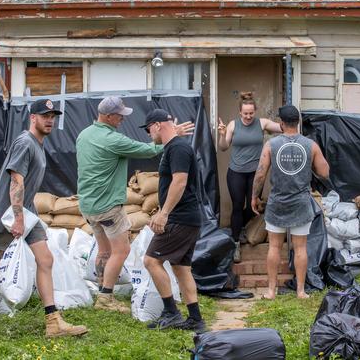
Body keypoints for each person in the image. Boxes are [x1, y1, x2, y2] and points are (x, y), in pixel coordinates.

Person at [0, 99, 87, 337]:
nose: (50, 120)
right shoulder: (25, 142)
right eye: (45, 116)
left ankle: (53, 322)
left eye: (53, 116)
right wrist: (18, 217)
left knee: (45, 259)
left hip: (26, 211)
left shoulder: (37, 143)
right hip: (10, 215)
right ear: (32, 118)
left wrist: (26, 214)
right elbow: (16, 181)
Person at [76, 96, 193, 313]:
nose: (122, 119)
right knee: (121, 250)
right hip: (108, 205)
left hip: (88, 205)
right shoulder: (113, 140)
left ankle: (102, 288)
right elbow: (148, 150)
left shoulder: (84, 135)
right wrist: (171, 135)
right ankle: (105, 297)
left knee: (103, 249)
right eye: (119, 115)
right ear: (109, 116)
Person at [251, 105, 329, 300]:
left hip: (277, 202)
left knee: (274, 247)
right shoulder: (310, 145)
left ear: (281, 124)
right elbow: (325, 172)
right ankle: (301, 291)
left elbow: (260, 174)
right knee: (301, 247)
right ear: (298, 122)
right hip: (302, 202)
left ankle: (270, 291)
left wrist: (254, 196)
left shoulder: (271, 144)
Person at [141, 109, 205, 332]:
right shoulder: (175, 146)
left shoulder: (177, 148)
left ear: (157, 125)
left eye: (149, 128)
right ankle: (195, 319)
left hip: (180, 218)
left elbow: (179, 182)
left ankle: (171, 312)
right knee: (181, 268)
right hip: (188, 218)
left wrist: (164, 213)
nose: (149, 133)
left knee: (151, 261)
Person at [217, 92, 282, 263]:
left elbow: (283, 128)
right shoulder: (233, 125)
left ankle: (242, 229)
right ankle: (236, 243)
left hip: (255, 174)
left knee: (254, 206)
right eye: (245, 113)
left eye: (251, 113)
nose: (248, 116)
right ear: (240, 113)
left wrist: (291, 121)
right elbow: (223, 147)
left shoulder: (262, 123)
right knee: (237, 206)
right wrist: (223, 134)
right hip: (236, 172)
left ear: (255, 111)